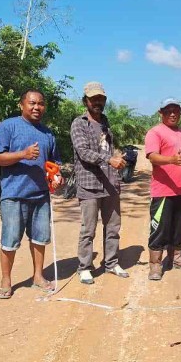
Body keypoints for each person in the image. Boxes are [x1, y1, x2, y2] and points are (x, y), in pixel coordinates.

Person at [0, 89, 61, 298]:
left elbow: (55, 162)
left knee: (40, 238)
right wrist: (24, 154)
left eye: (40, 104)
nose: (36, 107)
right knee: (10, 240)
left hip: (40, 195)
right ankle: (6, 280)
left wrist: (57, 176)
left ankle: (38, 276)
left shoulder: (48, 133)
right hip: (14, 195)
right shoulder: (8, 126)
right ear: (22, 105)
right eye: (32, 103)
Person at [70, 82, 128, 284]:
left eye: (101, 99)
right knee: (88, 229)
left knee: (113, 227)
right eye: (93, 99)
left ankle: (111, 263)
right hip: (89, 184)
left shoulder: (106, 122)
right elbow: (83, 152)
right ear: (85, 100)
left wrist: (117, 158)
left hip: (111, 183)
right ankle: (85, 267)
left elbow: (107, 150)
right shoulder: (79, 123)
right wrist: (108, 159)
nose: (97, 102)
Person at [144, 98, 181, 281]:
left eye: (176, 110)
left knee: (178, 227)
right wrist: (170, 160)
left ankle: (175, 258)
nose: (173, 114)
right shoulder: (155, 132)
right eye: (168, 111)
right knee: (159, 228)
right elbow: (152, 156)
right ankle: (155, 265)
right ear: (161, 113)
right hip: (163, 190)